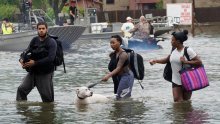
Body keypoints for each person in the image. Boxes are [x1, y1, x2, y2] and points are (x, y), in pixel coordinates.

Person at [149, 30, 202, 102]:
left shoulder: (188, 50)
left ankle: (184, 113)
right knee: (177, 101)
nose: (171, 41)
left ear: (178, 41)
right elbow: (167, 60)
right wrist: (155, 61)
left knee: (186, 101)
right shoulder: (173, 50)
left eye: (172, 40)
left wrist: (186, 61)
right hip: (176, 80)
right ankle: (177, 114)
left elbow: (199, 62)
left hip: (187, 80)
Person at [16, 22, 57, 102]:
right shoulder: (34, 40)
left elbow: (51, 58)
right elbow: (26, 51)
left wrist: (35, 63)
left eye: (43, 29)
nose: (41, 30)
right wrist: (21, 59)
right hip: (33, 71)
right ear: (37, 30)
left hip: (45, 73)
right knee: (21, 90)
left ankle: (48, 113)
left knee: (47, 99)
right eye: (39, 29)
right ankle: (22, 111)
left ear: (46, 29)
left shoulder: (51, 42)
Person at [102, 35, 134, 100]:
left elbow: (118, 68)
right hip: (117, 77)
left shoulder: (123, 54)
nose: (111, 45)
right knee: (117, 96)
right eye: (110, 43)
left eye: (113, 43)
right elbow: (114, 66)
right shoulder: (112, 54)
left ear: (119, 42)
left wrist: (108, 76)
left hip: (126, 76)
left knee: (122, 97)